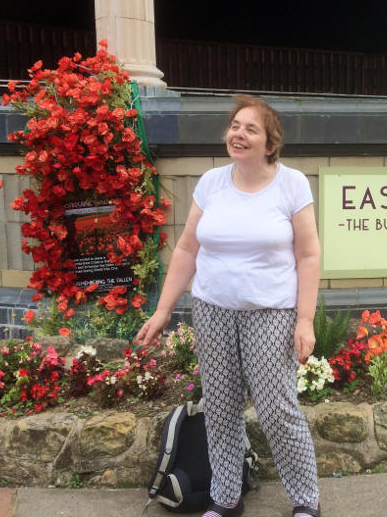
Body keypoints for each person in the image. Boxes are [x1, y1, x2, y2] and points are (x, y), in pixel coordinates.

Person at [136, 94, 322, 517]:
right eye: (235, 126)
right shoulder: (211, 182)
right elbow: (186, 249)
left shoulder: (291, 184)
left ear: (270, 143)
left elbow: (309, 255)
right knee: (220, 408)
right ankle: (225, 498)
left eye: (250, 128)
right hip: (212, 310)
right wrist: (163, 310)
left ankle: (305, 501)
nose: (238, 134)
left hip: (270, 312)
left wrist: (305, 319)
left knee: (277, 411)